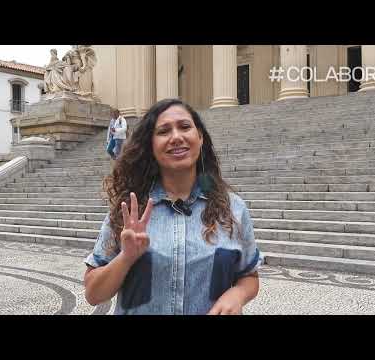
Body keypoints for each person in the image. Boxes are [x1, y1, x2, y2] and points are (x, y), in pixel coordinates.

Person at [84, 98, 262, 315]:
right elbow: (93, 294)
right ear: (151, 145)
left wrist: (237, 295)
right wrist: (126, 257)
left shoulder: (233, 209)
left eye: (185, 127)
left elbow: (249, 276)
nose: (176, 137)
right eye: (163, 131)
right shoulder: (130, 210)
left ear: (200, 137)